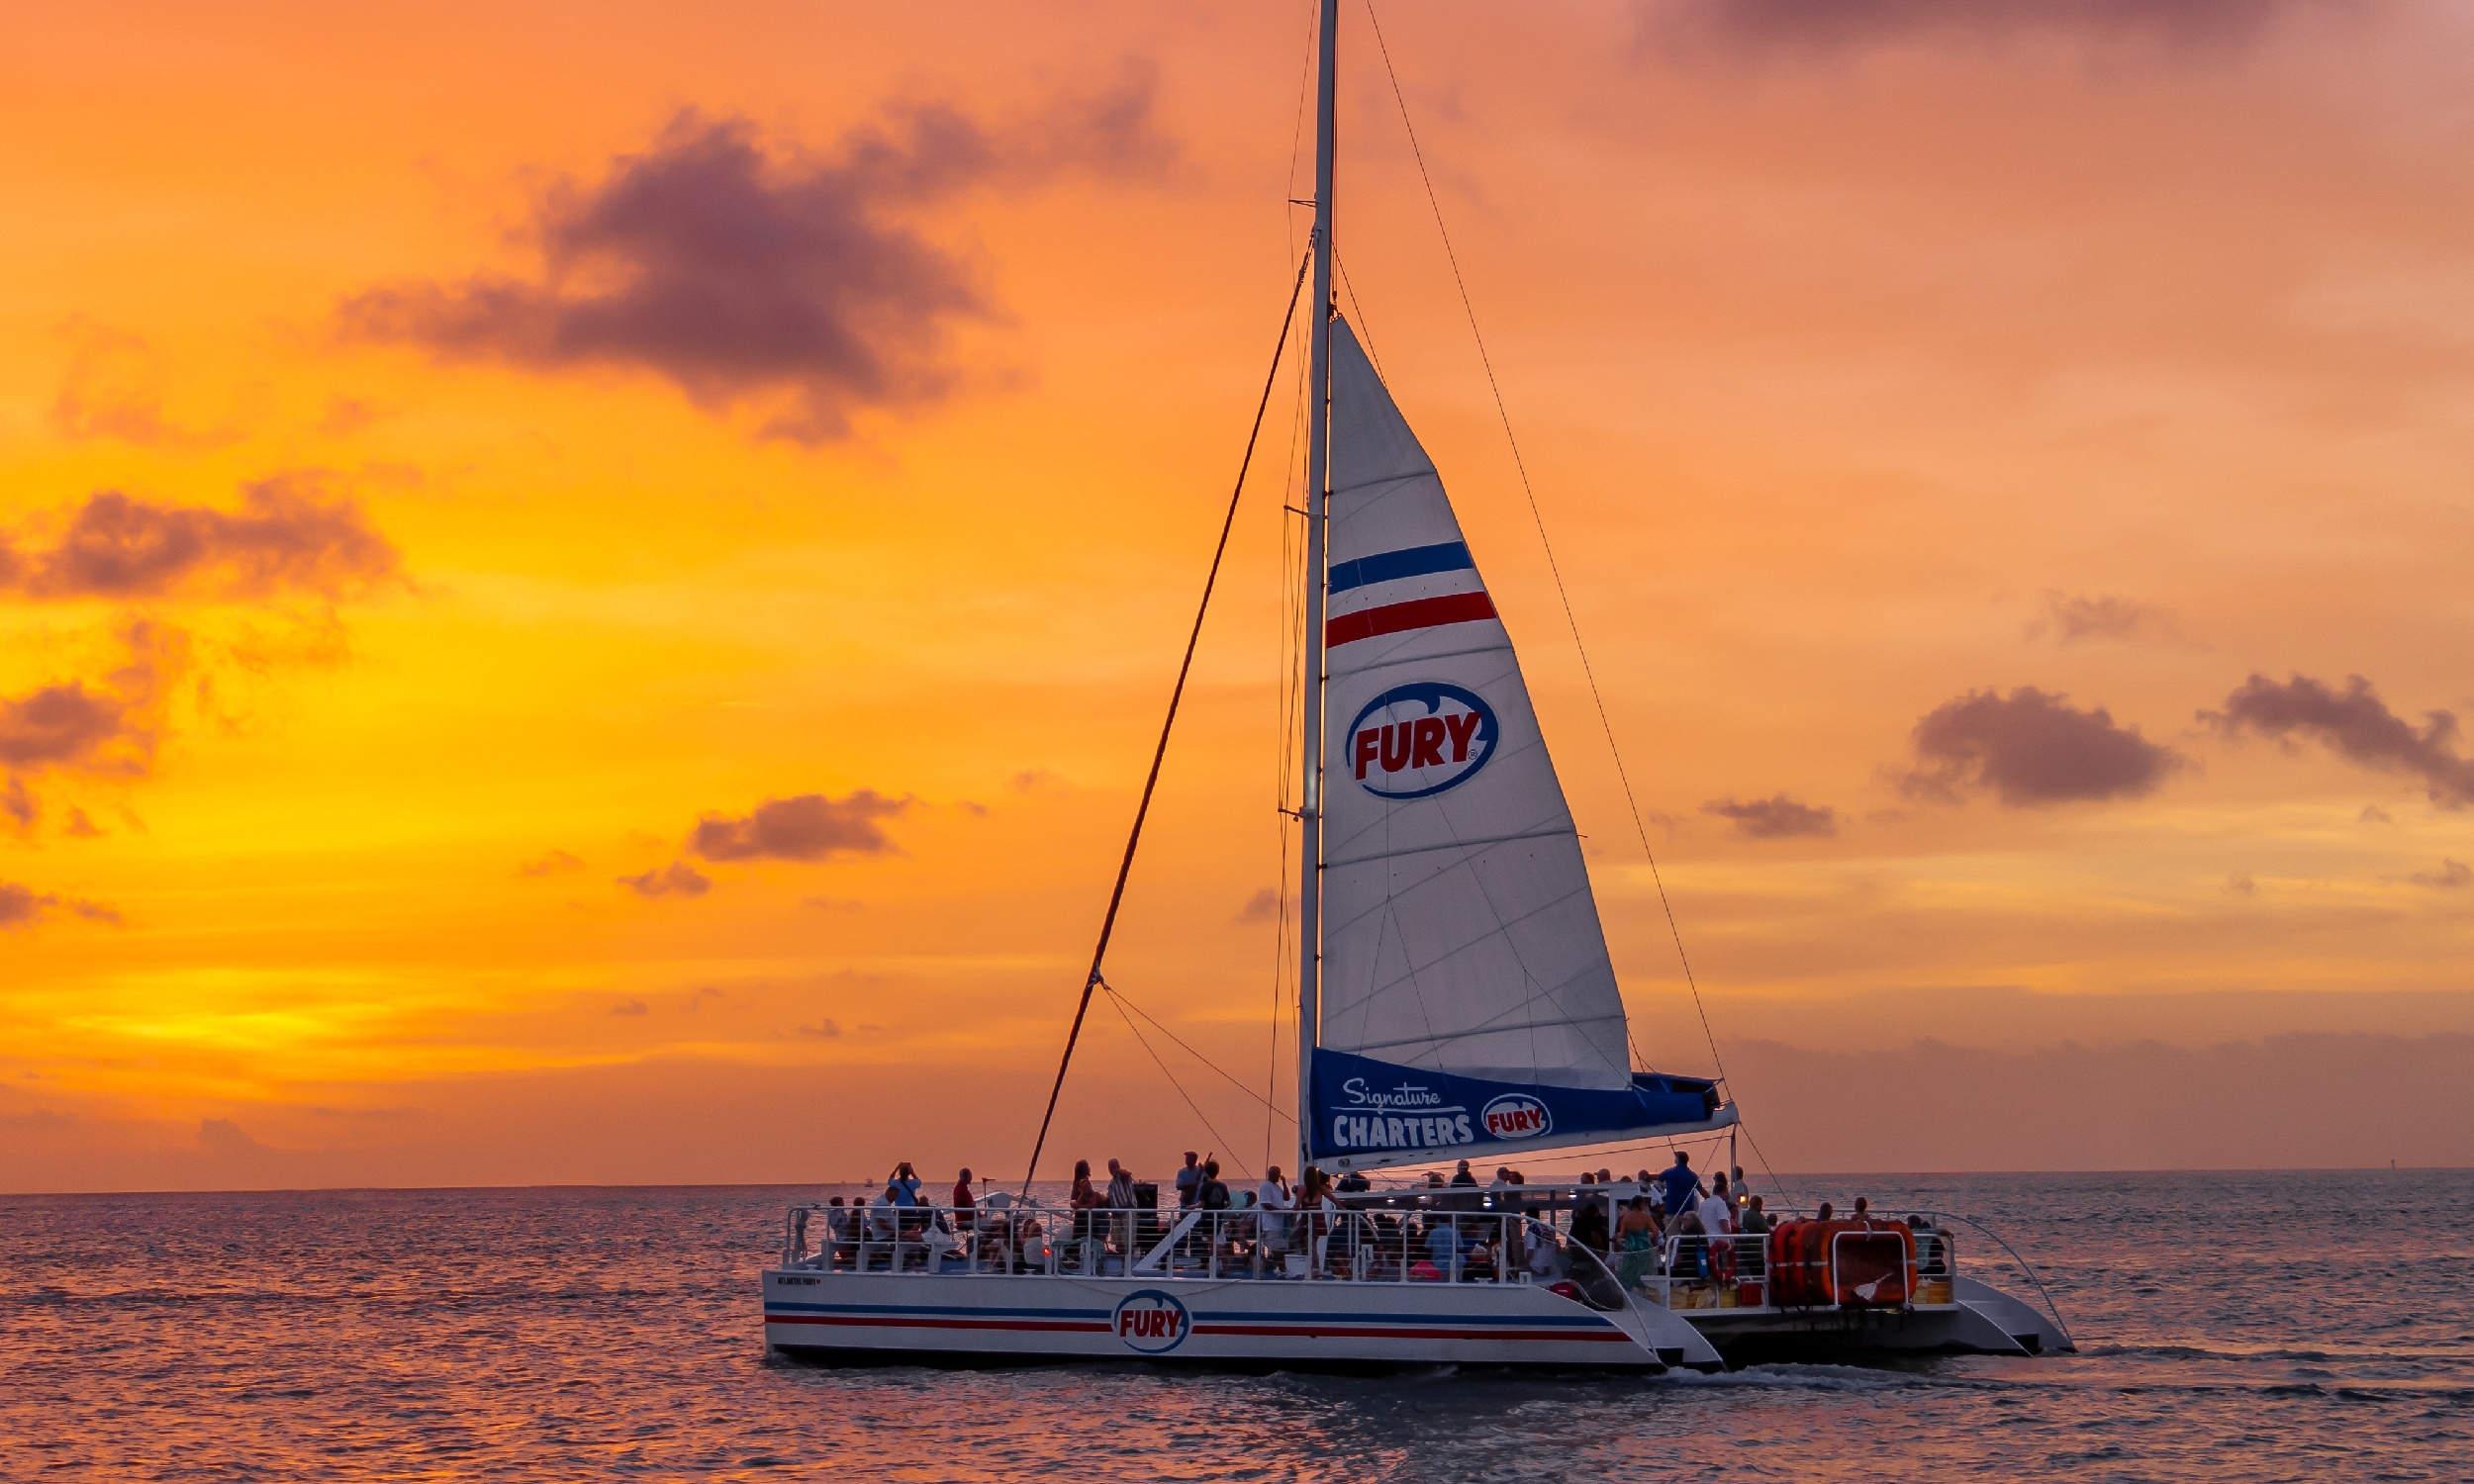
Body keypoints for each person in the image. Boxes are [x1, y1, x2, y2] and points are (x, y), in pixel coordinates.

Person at [1657, 1151, 1704, 1220]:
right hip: (1687, 1212)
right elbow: (1701, 1190)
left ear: (1677, 1159)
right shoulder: (1692, 1175)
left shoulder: (1669, 1172)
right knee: (1687, 1230)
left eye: (1676, 1157)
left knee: (1672, 1230)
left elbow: (1659, 1177)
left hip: (1672, 1211)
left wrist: (1646, 1176)